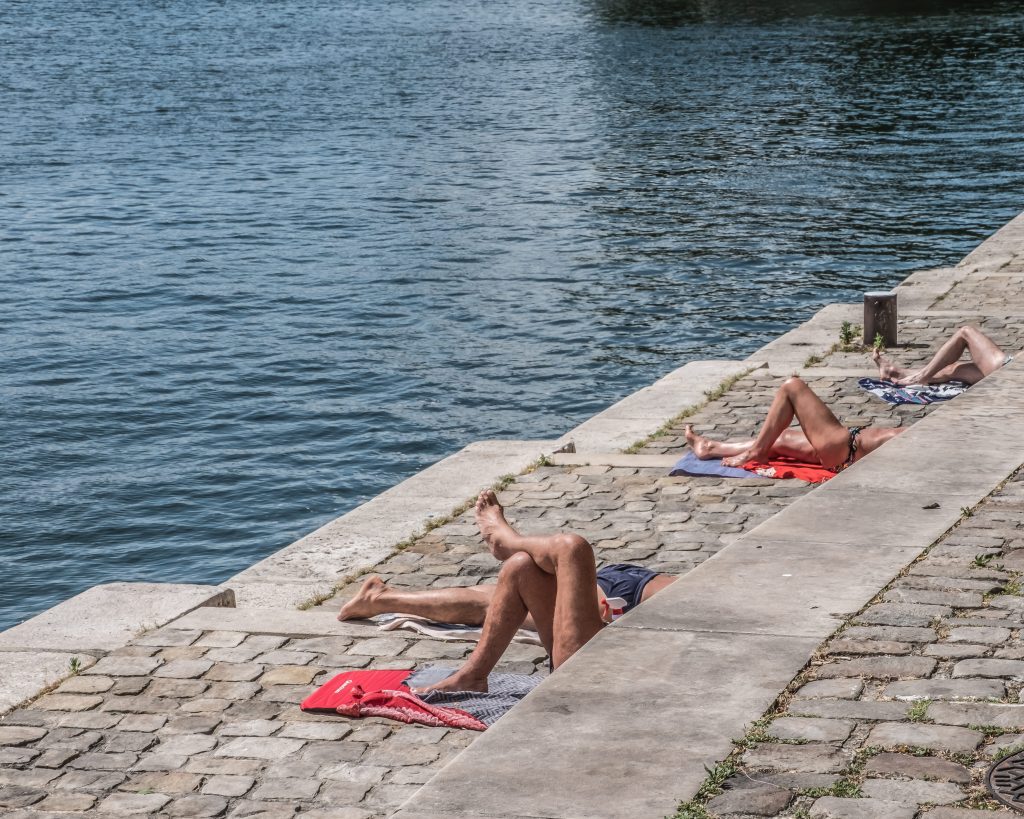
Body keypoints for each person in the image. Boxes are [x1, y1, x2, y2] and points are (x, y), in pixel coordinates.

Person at [338, 490, 675, 692]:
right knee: (520, 568)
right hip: (626, 580)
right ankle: (472, 675)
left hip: (600, 650)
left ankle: (506, 541)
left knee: (571, 548)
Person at [685, 376, 905, 471]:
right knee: (782, 438)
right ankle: (712, 448)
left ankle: (756, 452)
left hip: (844, 447)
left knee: (793, 386)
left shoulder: (919, 439)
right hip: (844, 451)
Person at [872, 325, 1011, 387]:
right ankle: (894, 373)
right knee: (954, 369)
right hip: (1012, 374)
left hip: (1009, 371)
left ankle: (921, 377)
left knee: (966, 333)